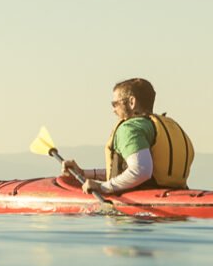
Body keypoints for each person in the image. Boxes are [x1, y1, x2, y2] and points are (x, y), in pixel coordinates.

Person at [62, 77, 195, 196]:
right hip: (177, 197)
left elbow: (141, 171)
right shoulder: (169, 126)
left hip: (140, 211)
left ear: (132, 102)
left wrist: (102, 188)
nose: (113, 110)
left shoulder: (130, 128)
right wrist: (83, 173)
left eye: (115, 104)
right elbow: (127, 171)